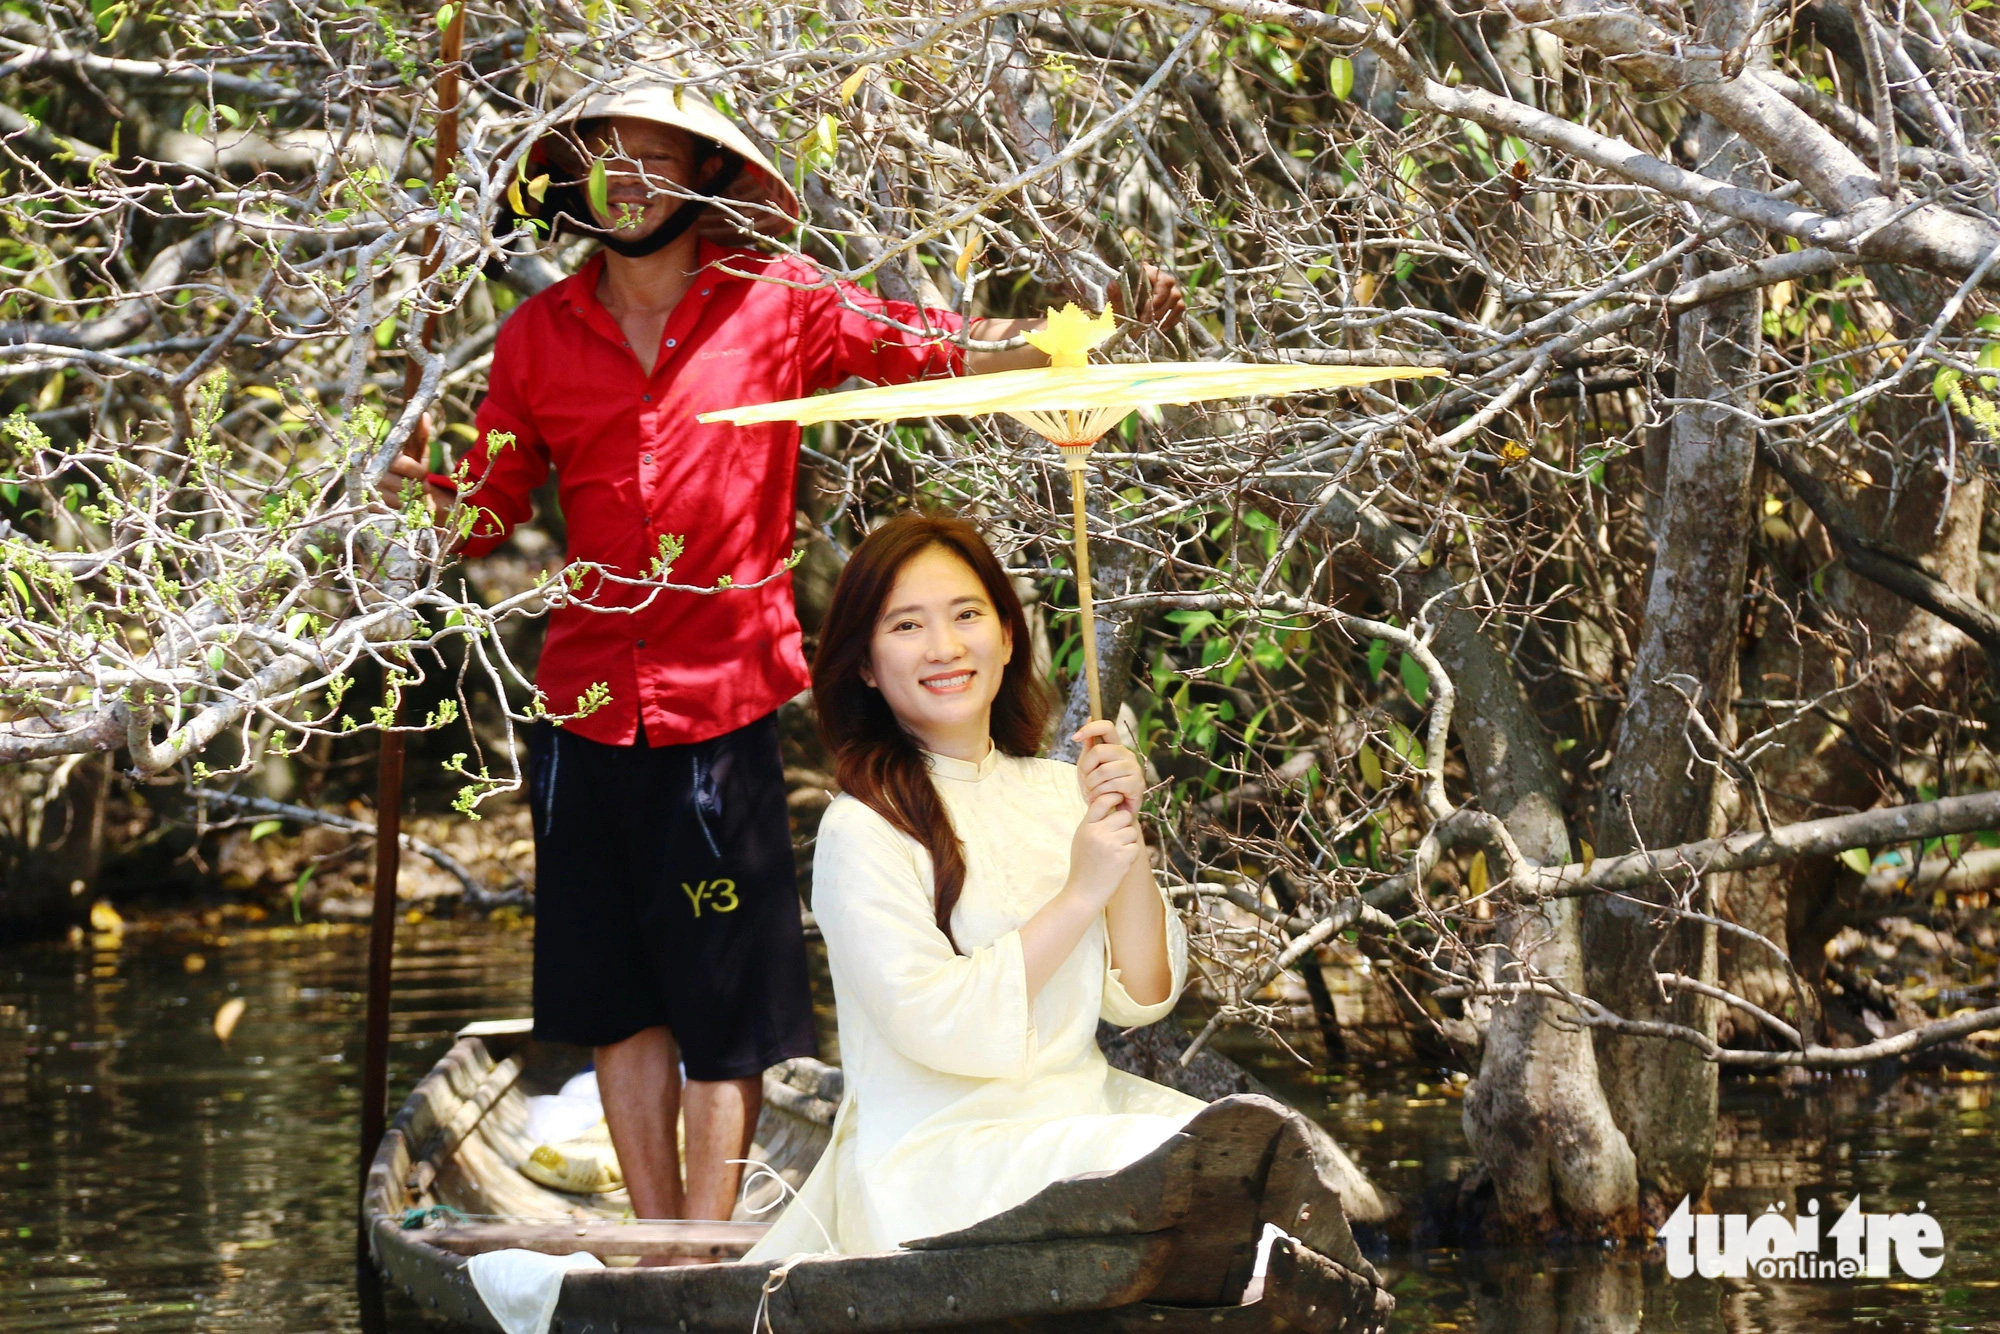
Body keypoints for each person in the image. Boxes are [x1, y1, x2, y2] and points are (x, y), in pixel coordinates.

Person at [377, 68, 1185, 1230]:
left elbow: (930, 345)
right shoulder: (536, 337)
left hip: (722, 701)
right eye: (610, 154)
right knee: (616, 994)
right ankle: (664, 1238)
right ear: (576, 177)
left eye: (661, 155)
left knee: (724, 987)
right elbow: (486, 514)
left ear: (705, 172)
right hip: (585, 705)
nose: (633, 179)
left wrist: (1083, 334)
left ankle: (707, 1238)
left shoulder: (775, 300)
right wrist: (423, 492)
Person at [744, 513, 1205, 1259]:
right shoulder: (860, 831)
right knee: (1160, 1161)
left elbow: (1146, 994)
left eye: (966, 615)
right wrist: (1080, 893)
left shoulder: (1063, 791)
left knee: (1231, 1157)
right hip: (933, 1159)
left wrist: (1123, 829)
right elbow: (938, 1026)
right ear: (864, 663)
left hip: (1077, 1120)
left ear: (1008, 633)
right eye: (906, 626)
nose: (945, 648)